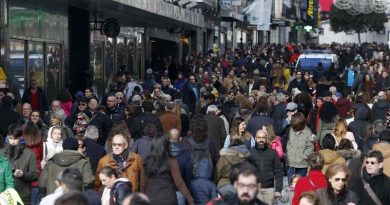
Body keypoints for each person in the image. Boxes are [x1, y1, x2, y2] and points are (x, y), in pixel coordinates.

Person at [144, 135, 194, 205]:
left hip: (150, 198)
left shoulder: (147, 160)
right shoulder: (171, 160)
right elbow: (179, 183)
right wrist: (190, 200)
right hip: (167, 198)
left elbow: (143, 182)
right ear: (167, 145)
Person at [0, 124, 39, 205]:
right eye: (11, 138)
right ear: (7, 137)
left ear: (20, 138)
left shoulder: (29, 153)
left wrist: (22, 174)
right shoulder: (1, 153)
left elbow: (35, 175)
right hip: (3, 197)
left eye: (15, 138)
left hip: (22, 197)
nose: (13, 141)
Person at [247, 129, 283, 205]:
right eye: (259, 137)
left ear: (266, 138)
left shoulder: (273, 153)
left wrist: (278, 189)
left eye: (263, 138)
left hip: (269, 189)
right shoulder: (249, 153)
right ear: (255, 138)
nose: (261, 140)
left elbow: (278, 172)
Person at [286, 112, 314, 181]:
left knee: (301, 186)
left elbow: (310, 147)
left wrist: (303, 156)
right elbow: (289, 142)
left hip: (302, 165)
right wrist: (288, 153)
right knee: (291, 186)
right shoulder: (291, 130)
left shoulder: (307, 132)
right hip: (291, 163)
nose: (292, 123)